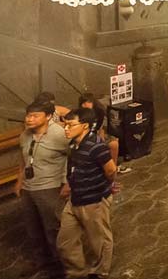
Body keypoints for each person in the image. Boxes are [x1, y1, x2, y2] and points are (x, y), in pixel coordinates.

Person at [58, 107, 117, 279]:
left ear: (84, 126)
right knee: (65, 241)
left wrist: (105, 187)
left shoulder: (96, 146)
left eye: (70, 125)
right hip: (75, 199)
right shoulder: (74, 144)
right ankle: (77, 272)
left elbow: (111, 170)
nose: (66, 129)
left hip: (94, 201)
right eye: (65, 125)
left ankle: (100, 272)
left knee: (99, 240)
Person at [19, 101, 69, 277]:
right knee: (33, 228)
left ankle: (64, 265)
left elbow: (74, 156)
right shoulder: (25, 135)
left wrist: (66, 182)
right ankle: (42, 260)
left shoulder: (60, 134)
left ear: (48, 117)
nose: (29, 119)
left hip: (50, 187)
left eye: (35, 116)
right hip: (29, 187)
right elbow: (24, 159)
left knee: (53, 227)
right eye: (28, 115)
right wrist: (19, 182)